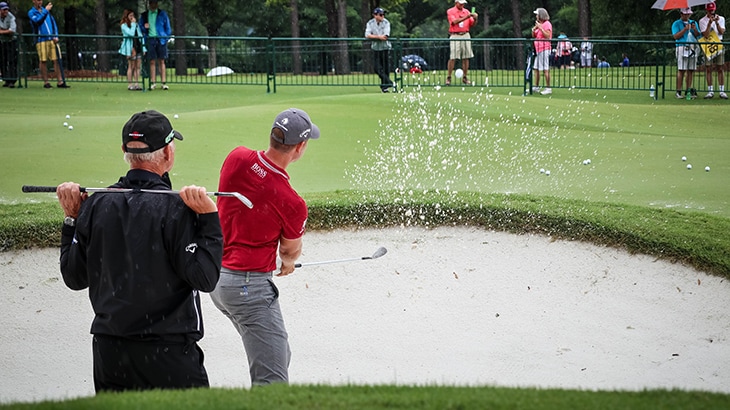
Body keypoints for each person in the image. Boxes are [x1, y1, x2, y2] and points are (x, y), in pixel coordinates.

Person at [56, 110, 222, 393]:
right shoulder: (177, 209)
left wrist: (72, 219)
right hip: (167, 354)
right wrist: (208, 218)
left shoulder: (96, 205)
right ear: (168, 153)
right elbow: (205, 278)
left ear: (125, 151)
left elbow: (74, 277)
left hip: (111, 354)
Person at [211, 108, 320, 386]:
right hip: (248, 289)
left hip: (217, 281)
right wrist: (288, 263)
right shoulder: (292, 201)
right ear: (300, 147)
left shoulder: (236, 157)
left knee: (280, 354)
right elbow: (289, 251)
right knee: (271, 382)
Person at [28, 0, 68, 88]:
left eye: (41, 0)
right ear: (33, 1)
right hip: (41, 39)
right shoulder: (31, 12)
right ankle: (46, 82)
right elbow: (37, 21)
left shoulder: (46, 11)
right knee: (43, 61)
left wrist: (56, 35)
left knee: (56, 59)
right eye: (38, 0)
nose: (40, 2)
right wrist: (46, 11)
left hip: (52, 39)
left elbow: (54, 24)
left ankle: (60, 81)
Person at [140, 0, 171, 90]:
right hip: (150, 39)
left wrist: (166, 37)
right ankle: (153, 82)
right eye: (152, 3)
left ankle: (163, 82)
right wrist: (144, 27)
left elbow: (167, 27)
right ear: (150, 4)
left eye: (155, 3)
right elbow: (141, 27)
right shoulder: (145, 15)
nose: (153, 5)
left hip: (161, 39)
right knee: (152, 61)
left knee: (162, 61)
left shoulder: (162, 14)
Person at [672, 7, 702, 99]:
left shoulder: (693, 22)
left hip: (692, 47)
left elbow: (698, 35)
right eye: (685, 14)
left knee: (691, 70)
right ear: (681, 14)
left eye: (688, 14)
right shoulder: (676, 23)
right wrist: (685, 29)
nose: (687, 16)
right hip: (681, 46)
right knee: (681, 69)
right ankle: (678, 90)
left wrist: (694, 29)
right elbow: (676, 36)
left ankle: (688, 90)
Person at [446, 0, 477, 86]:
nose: (462, 4)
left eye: (463, 3)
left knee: (466, 57)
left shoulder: (466, 11)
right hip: (455, 35)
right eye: (460, 3)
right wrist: (467, 17)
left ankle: (465, 77)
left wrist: (475, 18)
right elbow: (454, 22)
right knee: (453, 57)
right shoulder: (450, 11)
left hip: (465, 34)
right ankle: (449, 77)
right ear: (456, 3)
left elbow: (472, 24)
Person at [699, 1, 726, 99]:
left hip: (718, 44)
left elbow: (722, 31)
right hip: (708, 45)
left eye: (713, 11)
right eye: (710, 11)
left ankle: (722, 90)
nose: (712, 13)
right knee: (708, 68)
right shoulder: (702, 21)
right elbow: (705, 34)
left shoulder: (721, 19)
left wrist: (717, 22)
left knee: (720, 67)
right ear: (707, 11)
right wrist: (709, 23)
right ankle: (710, 91)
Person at [365, 7, 393, 93]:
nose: (382, 16)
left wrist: (376, 37)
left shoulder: (386, 22)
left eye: (383, 14)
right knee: (376, 68)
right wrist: (378, 37)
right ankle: (389, 82)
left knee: (385, 68)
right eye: (380, 15)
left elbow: (385, 36)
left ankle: (385, 87)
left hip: (385, 48)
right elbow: (367, 35)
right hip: (376, 48)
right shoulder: (370, 23)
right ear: (375, 15)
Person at [119, 9, 145, 91]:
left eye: (133, 15)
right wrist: (133, 24)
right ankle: (130, 84)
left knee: (138, 66)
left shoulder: (136, 25)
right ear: (126, 16)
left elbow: (140, 35)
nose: (132, 17)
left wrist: (143, 47)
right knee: (131, 66)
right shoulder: (124, 25)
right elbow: (130, 34)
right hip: (130, 47)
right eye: (130, 16)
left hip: (138, 46)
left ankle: (137, 83)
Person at [532, 7, 552, 95]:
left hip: (544, 49)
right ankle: (536, 87)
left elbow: (548, 36)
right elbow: (534, 35)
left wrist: (541, 28)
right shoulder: (540, 24)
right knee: (536, 68)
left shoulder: (547, 24)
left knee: (545, 69)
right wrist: (534, 29)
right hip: (539, 49)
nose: (536, 16)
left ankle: (548, 88)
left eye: (537, 14)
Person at [0, 1, 17, 88]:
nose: (6, 11)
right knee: (3, 61)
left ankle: (12, 81)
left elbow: (12, 30)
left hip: (11, 41)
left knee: (11, 61)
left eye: (6, 9)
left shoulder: (11, 17)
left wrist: (1, 31)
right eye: (4, 10)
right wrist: (5, 31)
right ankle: (6, 79)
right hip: (2, 42)